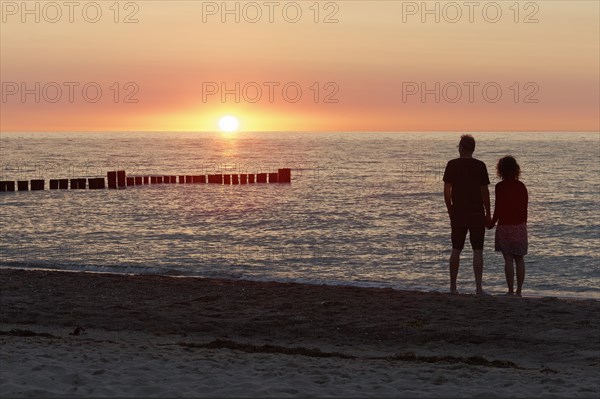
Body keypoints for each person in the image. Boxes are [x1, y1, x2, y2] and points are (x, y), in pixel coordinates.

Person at [443, 135, 491, 295]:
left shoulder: (452, 165)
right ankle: (478, 288)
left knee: (456, 248)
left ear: (461, 147)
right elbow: (485, 192)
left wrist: (450, 211)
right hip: (477, 212)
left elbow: (447, 192)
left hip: (458, 212)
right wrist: (488, 214)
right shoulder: (480, 166)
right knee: (478, 250)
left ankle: (453, 287)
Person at [488, 156, 528, 297]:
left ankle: (510, 291)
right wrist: (523, 226)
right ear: (515, 169)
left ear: (501, 170)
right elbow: (525, 209)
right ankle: (519, 291)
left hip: (504, 226)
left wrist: (491, 224)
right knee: (520, 259)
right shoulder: (521, 186)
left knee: (508, 260)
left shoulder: (500, 187)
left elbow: (498, 209)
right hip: (519, 226)